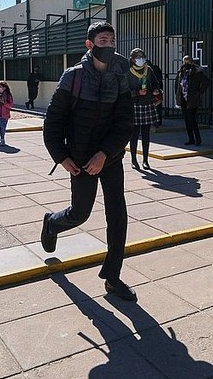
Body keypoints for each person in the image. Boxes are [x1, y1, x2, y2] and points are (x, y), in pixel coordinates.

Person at [41, 21, 136, 301]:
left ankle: (113, 277)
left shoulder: (121, 76)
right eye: (103, 41)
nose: (108, 45)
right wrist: (62, 157)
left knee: (117, 215)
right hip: (80, 160)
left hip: (110, 157)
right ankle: (52, 223)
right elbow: (53, 123)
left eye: (112, 40)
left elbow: (125, 123)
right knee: (80, 213)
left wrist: (106, 153)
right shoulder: (73, 77)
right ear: (89, 44)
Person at [127, 48, 161, 170]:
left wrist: (156, 89)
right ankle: (133, 160)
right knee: (134, 135)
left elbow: (156, 83)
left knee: (146, 134)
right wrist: (136, 92)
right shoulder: (128, 72)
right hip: (135, 105)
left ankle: (145, 160)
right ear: (132, 58)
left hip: (147, 103)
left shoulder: (149, 70)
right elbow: (125, 90)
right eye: (137, 57)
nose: (140, 59)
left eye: (142, 56)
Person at [174, 55, 210, 146]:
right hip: (183, 98)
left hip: (192, 99)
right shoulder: (181, 71)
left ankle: (198, 138)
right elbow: (177, 83)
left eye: (188, 61)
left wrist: (199, 91)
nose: (186, 63)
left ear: (191, 62)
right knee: (186, 120)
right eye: (184, 61)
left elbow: (206, 81)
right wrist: (177, 94)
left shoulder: (196, 72)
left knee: (192, 119)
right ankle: (191, 139)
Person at [146, 59, 164, 127]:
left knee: (157, 106)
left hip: (155, 90)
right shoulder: (154, 69)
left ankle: (157, 121)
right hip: (154, 90)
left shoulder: (152, 70)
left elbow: (157, 80)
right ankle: (156, 120)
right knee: (156, 106)